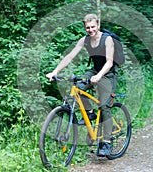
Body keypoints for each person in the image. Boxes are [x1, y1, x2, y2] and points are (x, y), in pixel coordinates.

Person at [46, 13, 117, 156]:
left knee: (104, 106)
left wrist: (99, 76)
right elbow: (70, 57)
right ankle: (90, 113)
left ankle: (107, 142)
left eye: (93, 27)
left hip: (107, 74)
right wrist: (55, 71)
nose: (90, 30)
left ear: (98, 25)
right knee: (77, 88)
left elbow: (109, 62)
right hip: (94, 71)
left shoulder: (107, 39)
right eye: (87, 28)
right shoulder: (84, 40)